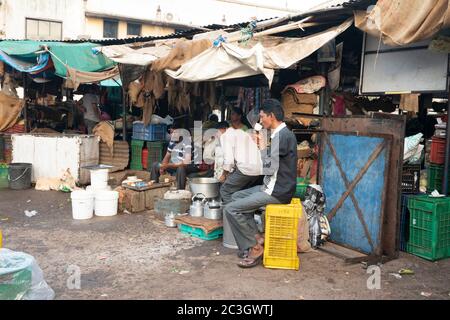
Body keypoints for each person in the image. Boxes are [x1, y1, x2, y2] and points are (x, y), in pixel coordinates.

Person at [223, 99, 298, 268]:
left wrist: (262, 146)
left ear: (271, 116)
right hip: (270, 186)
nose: (260, 120)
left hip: (277, 192)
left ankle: (255, 247)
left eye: (262, 116)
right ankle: (256, 237)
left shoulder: (283, 135)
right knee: (235, 197)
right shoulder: (279, 134)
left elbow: (269, 168)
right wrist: (262, 145)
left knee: (231, 208)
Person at [219, 123, 263, 205]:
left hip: (246, 169)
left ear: (221, 130)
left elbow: (229, 160)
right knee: (241, 192)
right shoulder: (243, 133)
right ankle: (243, 212)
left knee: (225, 190)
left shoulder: (224, 136)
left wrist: (223, 175)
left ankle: (232, 213)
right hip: (259, 169)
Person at [150, 125, 200, 190]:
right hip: (177, 164)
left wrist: (168, 165)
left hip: (191, 166)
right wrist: (162, 167)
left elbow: (186, 163)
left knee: (181, 168)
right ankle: (153, 187)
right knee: (155, 165)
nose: (171, 135)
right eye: (171, 132)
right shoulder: (172, 141)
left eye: (174, 133)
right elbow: (167, 156)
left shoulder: (187, 142)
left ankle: (180, 191)